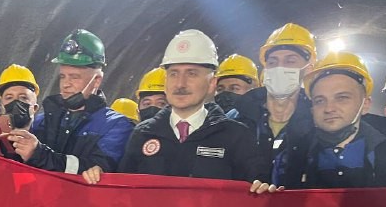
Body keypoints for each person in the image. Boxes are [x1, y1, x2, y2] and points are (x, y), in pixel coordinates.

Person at [84, 30, 267, 185]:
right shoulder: (143, 134)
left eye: (192, 74)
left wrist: (262, 190)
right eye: (173, 74)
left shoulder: (237, 137)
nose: (180, 84)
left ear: (212, 83)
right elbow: (123, 194)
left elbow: (252, 201)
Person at [279, 51, 386, 189]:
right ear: (312, 109)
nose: (329, 108)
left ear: (365, 104)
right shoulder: (292, 156)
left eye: (342, 98)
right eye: (320, 100)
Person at [1, 29, 133, 176]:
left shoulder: (116, 126)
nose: (65, 84)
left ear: (97, 80)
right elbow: (15, 166)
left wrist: (40, 154)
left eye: (74, 77)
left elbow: (96, 172)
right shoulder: (42, 121)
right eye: (63, 76)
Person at [228, 24, 318, 193]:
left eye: (290, 61)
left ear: (308, 70)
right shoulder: (237, 117)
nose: (279, 67)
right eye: (273, 62)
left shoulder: (317, 121)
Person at [0, 64, 40, 160]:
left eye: (23, 97)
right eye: (9, 97)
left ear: (35, 108)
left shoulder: (46, 141)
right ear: (2, 107)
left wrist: (36, 154)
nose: (15, 102)